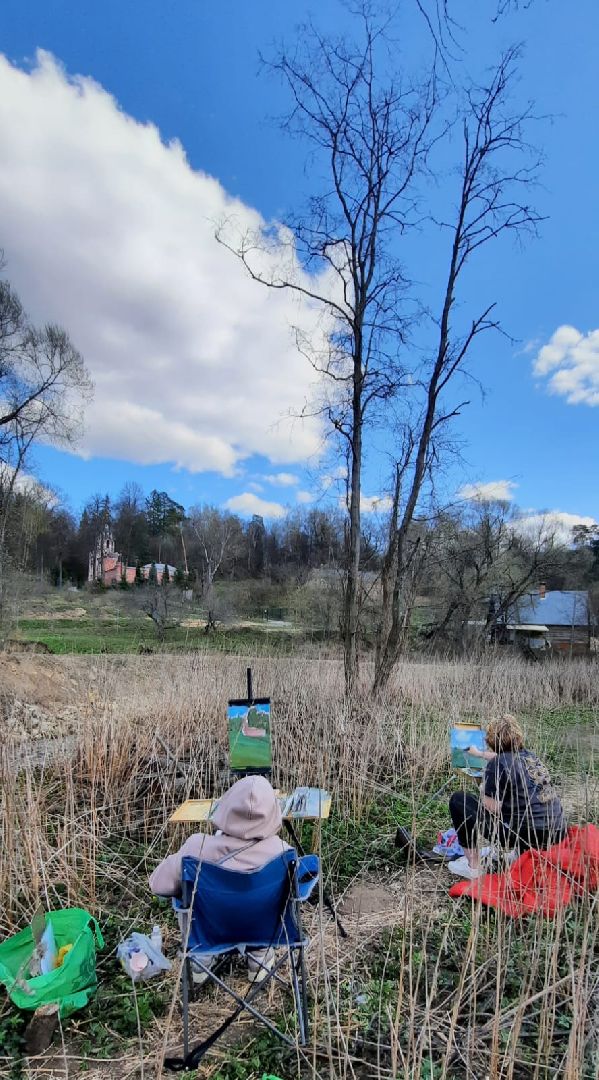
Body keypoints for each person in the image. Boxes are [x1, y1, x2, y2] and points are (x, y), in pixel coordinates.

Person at [149, 775, 291, 982]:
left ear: (226, 806)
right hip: (262, 931)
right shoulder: (283, 853)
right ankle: (259, 959)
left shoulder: (196, 847)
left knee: (186, 898)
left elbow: (158, 885)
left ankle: (201, 960)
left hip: (208, 934)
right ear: (272, 813)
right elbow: (297, 893)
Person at [448, 714, 567, 881]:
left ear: (490, 740)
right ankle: (517, 853)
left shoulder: (496, 765)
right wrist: (479, 754)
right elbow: (503, 759)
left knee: (458, 800)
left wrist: (483, 788)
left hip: (527, 835)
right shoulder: (530, 757)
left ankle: (473, 867)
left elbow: (493, 808)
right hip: (556, 833)